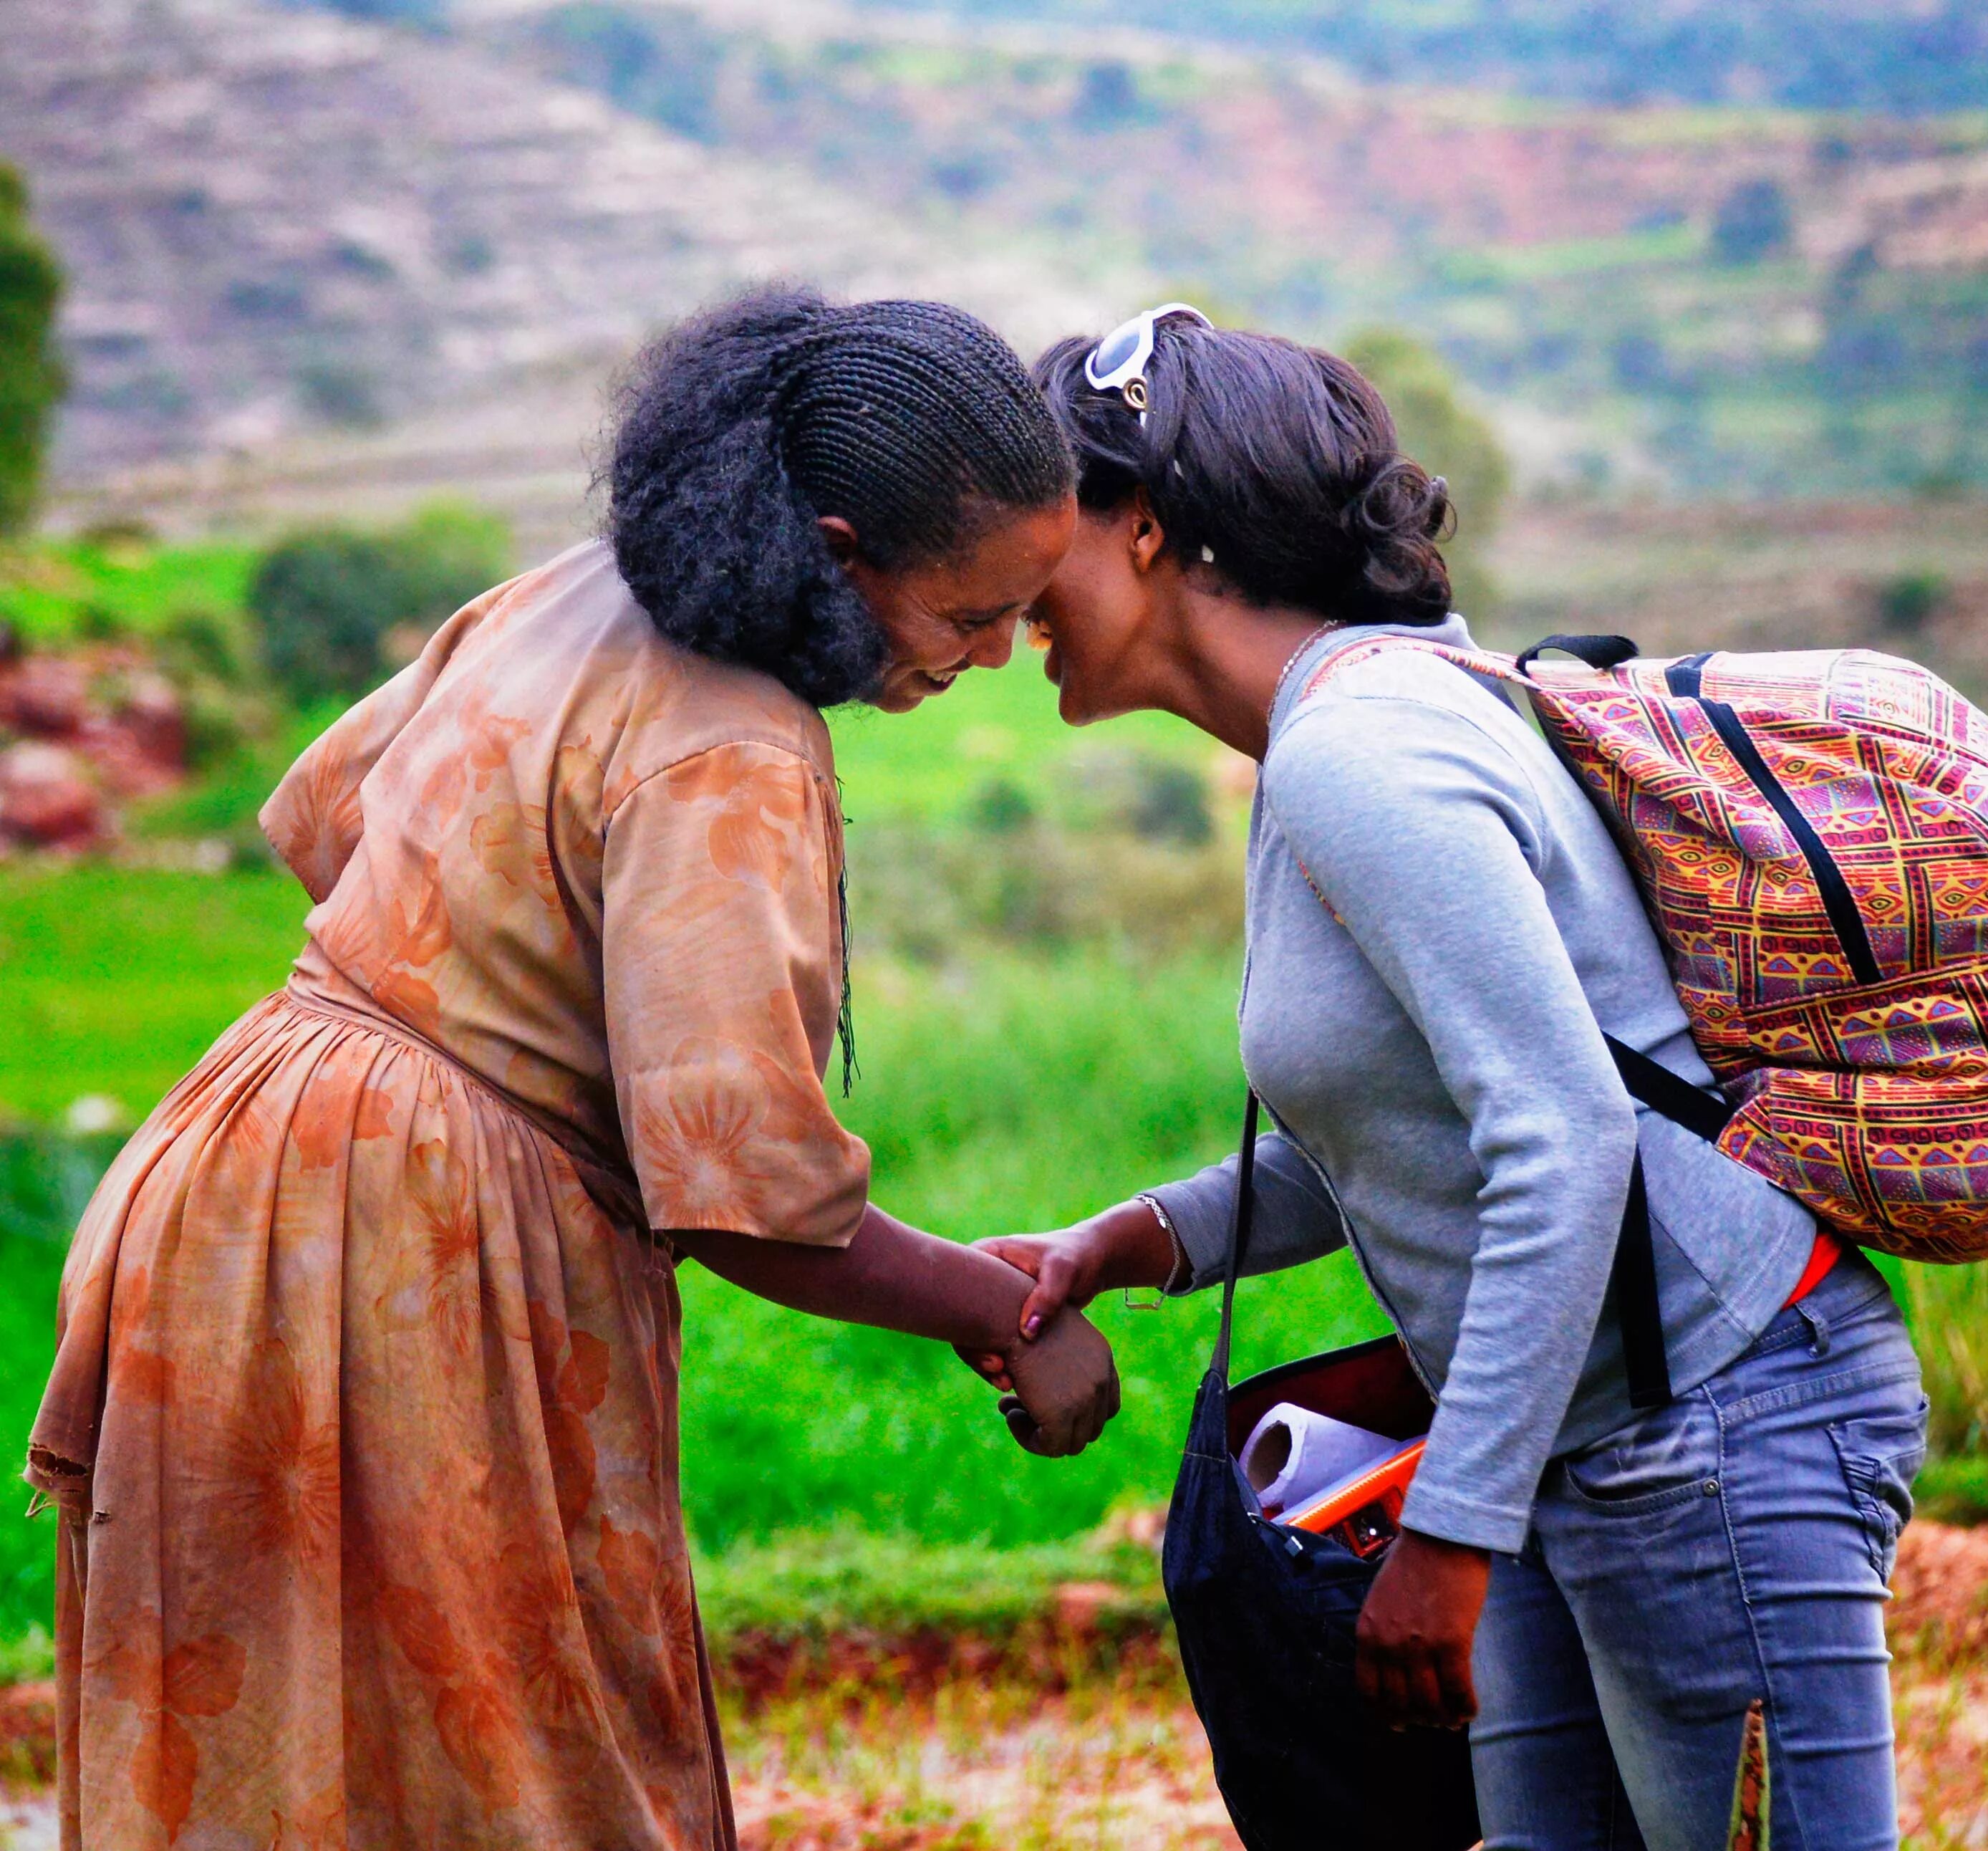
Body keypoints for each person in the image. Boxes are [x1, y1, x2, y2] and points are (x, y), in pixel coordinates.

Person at [27, 287, 1119, 1851]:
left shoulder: (569, 595)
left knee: (271, 1758)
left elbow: (323, 821)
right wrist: (1008, 1315)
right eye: (966, 617)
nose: (1000, 653)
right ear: (833, 549)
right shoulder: (730, 739)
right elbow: (742, 1198)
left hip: (229, 1173)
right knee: (526, 1771)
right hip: (416, 1248)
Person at [968, 306, 1927, 1850]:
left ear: (1144, 528)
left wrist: (1448, 1524)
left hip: (1716, 1420)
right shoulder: (1332, 739)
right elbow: (1412, 1126)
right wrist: (1132, 1239)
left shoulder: (1364, 752)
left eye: (1037, 524)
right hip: (1593, 1431)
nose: (1005, 583)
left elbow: (1557, 1134)